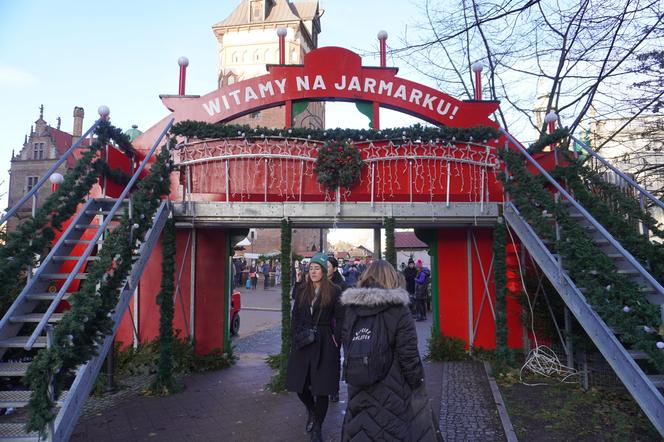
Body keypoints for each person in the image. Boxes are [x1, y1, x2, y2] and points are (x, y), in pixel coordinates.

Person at [340, 260, 441, 441]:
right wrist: (417, 383)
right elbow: (408, 356)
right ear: (392, 279)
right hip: (393, 390)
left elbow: (348, 346)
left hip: (358, 386)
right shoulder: (399, 311)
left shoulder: (351, 310)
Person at [286, 252, 344, 442]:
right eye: (310, 268)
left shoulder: (334, 291)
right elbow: (295, 316)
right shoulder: (302, 290)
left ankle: (317, 427)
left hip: (325, 342)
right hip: (303, 341)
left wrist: (336, 340)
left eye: (317, 268)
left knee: (322, 388)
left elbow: (341, 318)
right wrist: (294, 336)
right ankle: (311, 410)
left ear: (324, 271)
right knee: (300, 385)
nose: (313, 271)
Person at [326, 256, 348, 404]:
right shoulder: (316, 282)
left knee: (333, 358)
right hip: (321, 326)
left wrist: (337, 332)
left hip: (335, 326)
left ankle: (334, 390)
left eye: (327, 266)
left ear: (334, 269)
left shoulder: (342, 286)